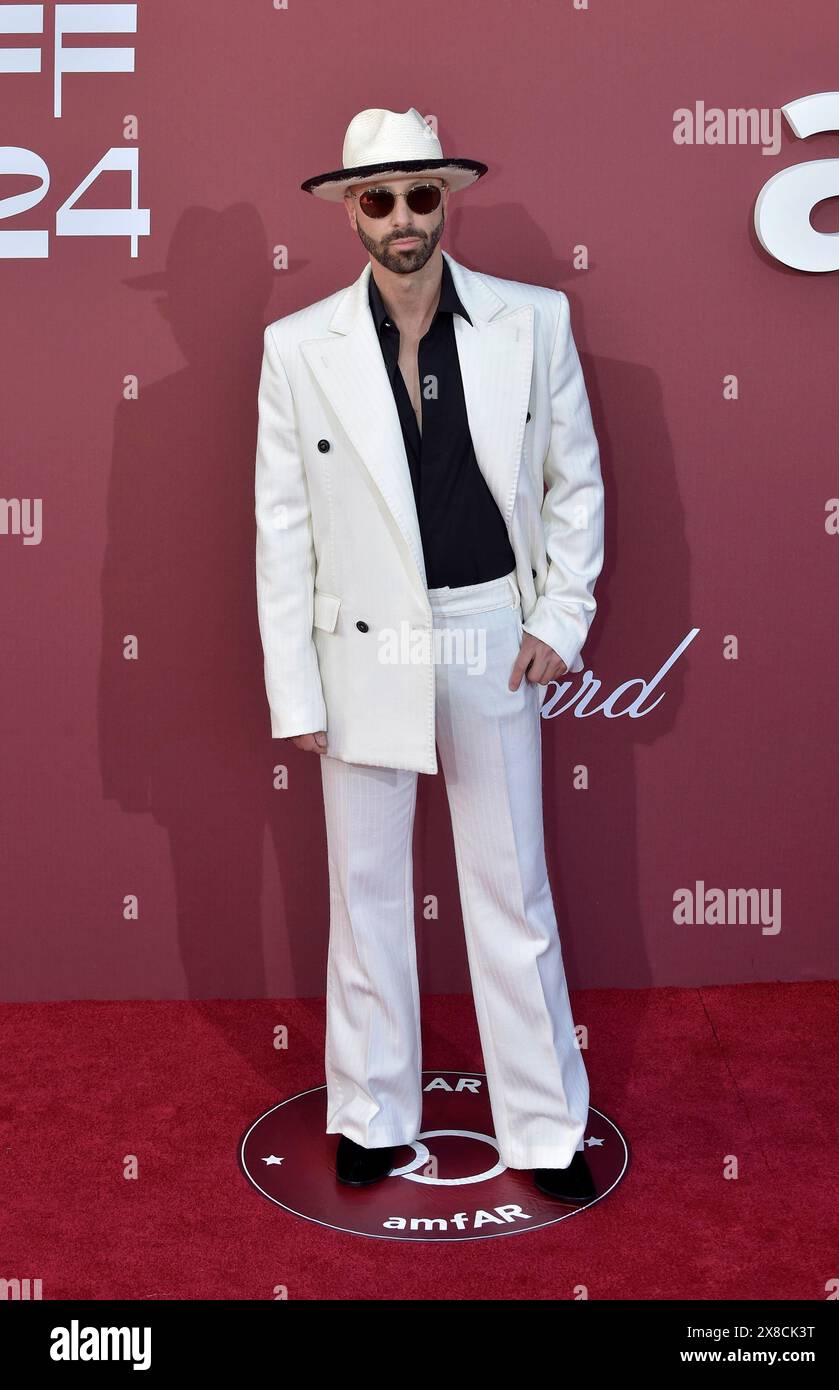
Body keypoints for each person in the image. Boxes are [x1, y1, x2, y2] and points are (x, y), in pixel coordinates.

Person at [254, 107, 604, 1201]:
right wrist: (292, 685)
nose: (403, 219)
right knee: (364, 895)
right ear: (347, 212)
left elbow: (575, 484)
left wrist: (560, 619)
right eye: (379, 199)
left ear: (445, 201)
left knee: (512, 895)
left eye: (420, 195)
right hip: (359, 645)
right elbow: (282, 530)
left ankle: (546, 1130)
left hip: (491, 630)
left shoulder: (532, 321)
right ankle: (367, 1112)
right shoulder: (295, 348)